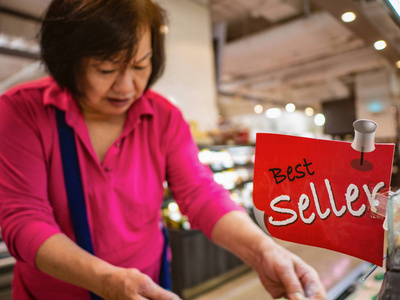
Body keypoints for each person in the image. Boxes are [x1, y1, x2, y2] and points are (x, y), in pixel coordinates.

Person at [0, 0, 327, 299]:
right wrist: (104, 280)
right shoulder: (23, 111)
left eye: (140, 66)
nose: (127, 87)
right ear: (68, 60)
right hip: (54, 291)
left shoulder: (162, 117)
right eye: (106, 70)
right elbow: (23, 219)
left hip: (147, 283)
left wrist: (264, 251)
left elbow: (200, 194)